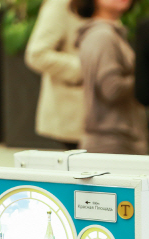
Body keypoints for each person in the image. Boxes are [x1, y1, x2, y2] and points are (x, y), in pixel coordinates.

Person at [72, 0, 148, 154]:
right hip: (112, 142)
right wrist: (145, 78)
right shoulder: (102, 36)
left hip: (119, 139)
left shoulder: (110, 33)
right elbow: (112, 89)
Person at [25, 0, 87, 150]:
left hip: (104, 114)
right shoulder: (61, 5)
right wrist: (86, 68)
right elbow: (37, 54)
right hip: (76, 110)